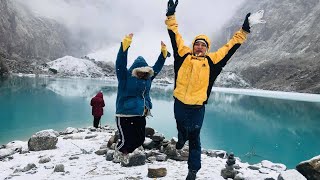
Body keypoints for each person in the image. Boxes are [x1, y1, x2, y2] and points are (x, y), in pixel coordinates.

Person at [164, 0, 265, 179]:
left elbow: (230, 47)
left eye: (204, 45)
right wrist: (170, 16)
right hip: (179, 104)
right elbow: (175, 34)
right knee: (182, 128)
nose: (200, 47)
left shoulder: (212, 62)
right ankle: (181, 138)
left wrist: (244, 31)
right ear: (193, 45)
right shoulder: (183, 55)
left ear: (207, 48)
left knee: (194, 138)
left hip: (197, 108)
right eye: (197, 44)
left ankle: (193, 170)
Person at [115, 33, 170, 158]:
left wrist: (163, 54)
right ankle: (120, 153)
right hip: (125, 113)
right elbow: (120, 63)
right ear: (134, 70)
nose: (142, 74)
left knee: (139, 140)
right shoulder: (125, 77)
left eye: (145, 72)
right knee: (125, 140)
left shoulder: (148, 79)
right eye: (139, 72)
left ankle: (125, 152)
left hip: (141, 113)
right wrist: (125, 45)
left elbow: (157, 67)